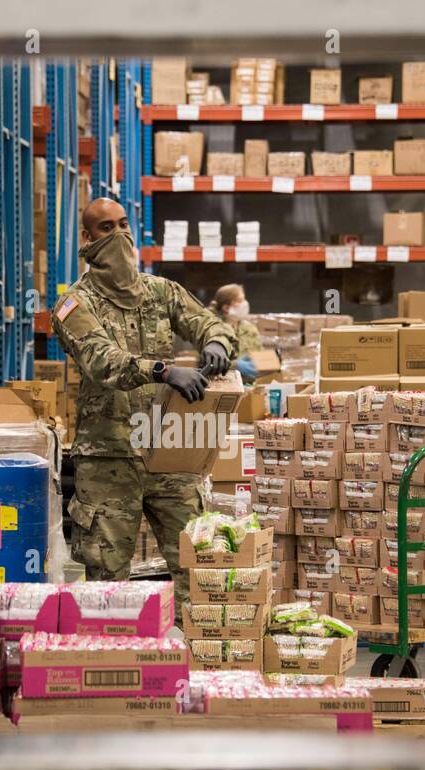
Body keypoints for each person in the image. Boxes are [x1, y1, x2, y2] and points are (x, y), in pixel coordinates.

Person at [53, 198, 239, 618]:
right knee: (106, 585)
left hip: (168, 451)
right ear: (86, 238)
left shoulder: (160, 292)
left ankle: (209, 667)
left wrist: (215, 343)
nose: (119, 235)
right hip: (109, 461)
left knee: (200, 570)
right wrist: (163, 370)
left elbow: (211, 323)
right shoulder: (73, 305)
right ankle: (112, 673)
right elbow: (101, 360)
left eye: (123, 224)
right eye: (105, 228)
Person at [209, 283, 262, 384]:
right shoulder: (212, 329)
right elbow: (208, 363)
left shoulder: (250, 328)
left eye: (244, 299)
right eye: (240, 301)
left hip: (251, 385)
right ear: (226, 307)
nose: (245, 303)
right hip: (225, 384)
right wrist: (234, 365)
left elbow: (260, 355)